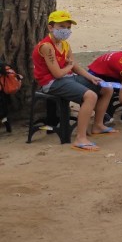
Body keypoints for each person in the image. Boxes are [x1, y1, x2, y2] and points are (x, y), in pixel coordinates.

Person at [32, 10, 115, 151]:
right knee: (91, 96)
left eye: (68, 27)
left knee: (106, 88)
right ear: (50, 27)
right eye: (62, 27)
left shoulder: (65, 45)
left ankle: (98, 125)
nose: (66, 30)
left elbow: (73, 65)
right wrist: (69, 66)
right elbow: (57, 74)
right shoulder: (46, 46)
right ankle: (80, 138)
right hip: (51, 82)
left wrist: (91, 77)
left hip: (67, 78)